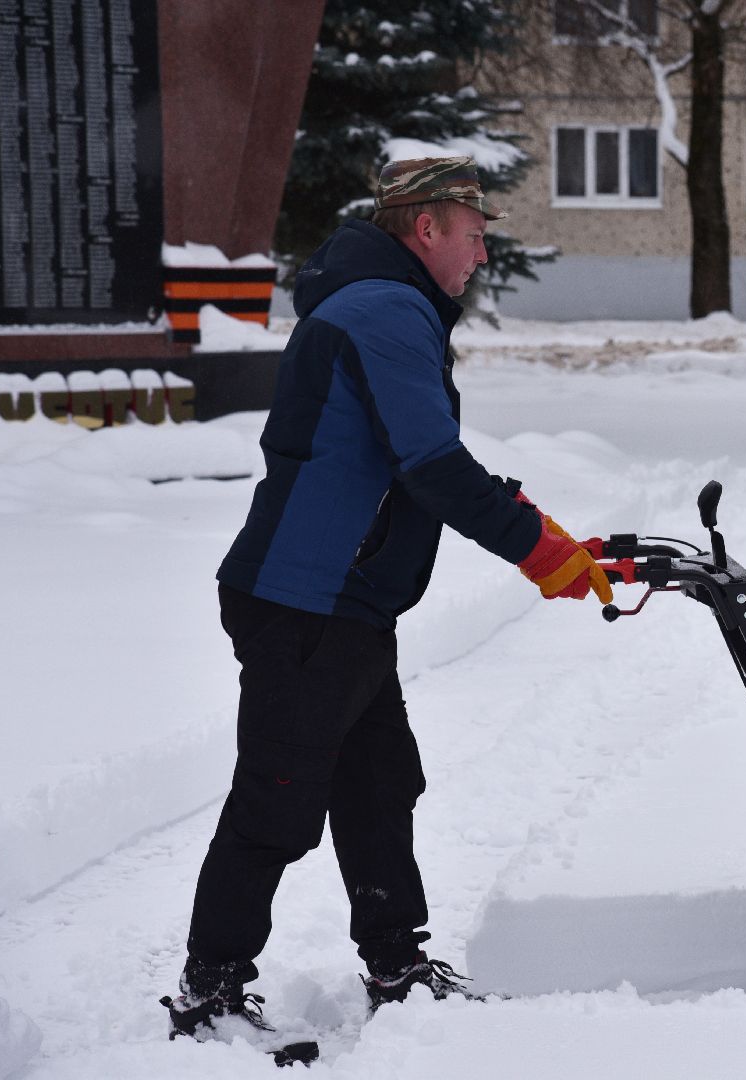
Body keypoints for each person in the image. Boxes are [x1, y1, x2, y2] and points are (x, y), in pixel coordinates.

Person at [161, 156, 611, 1038]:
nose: (482, 256)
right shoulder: (384, 309)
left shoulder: (382, 305)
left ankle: (398, 969)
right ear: (428, 228)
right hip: (307, 601)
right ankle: (209, 994)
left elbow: (408, 460)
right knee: (277, 800)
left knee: (377, 790)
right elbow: (433, 465)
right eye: (475, 236)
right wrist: (538, 551)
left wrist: (537, 526)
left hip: (346, 605)